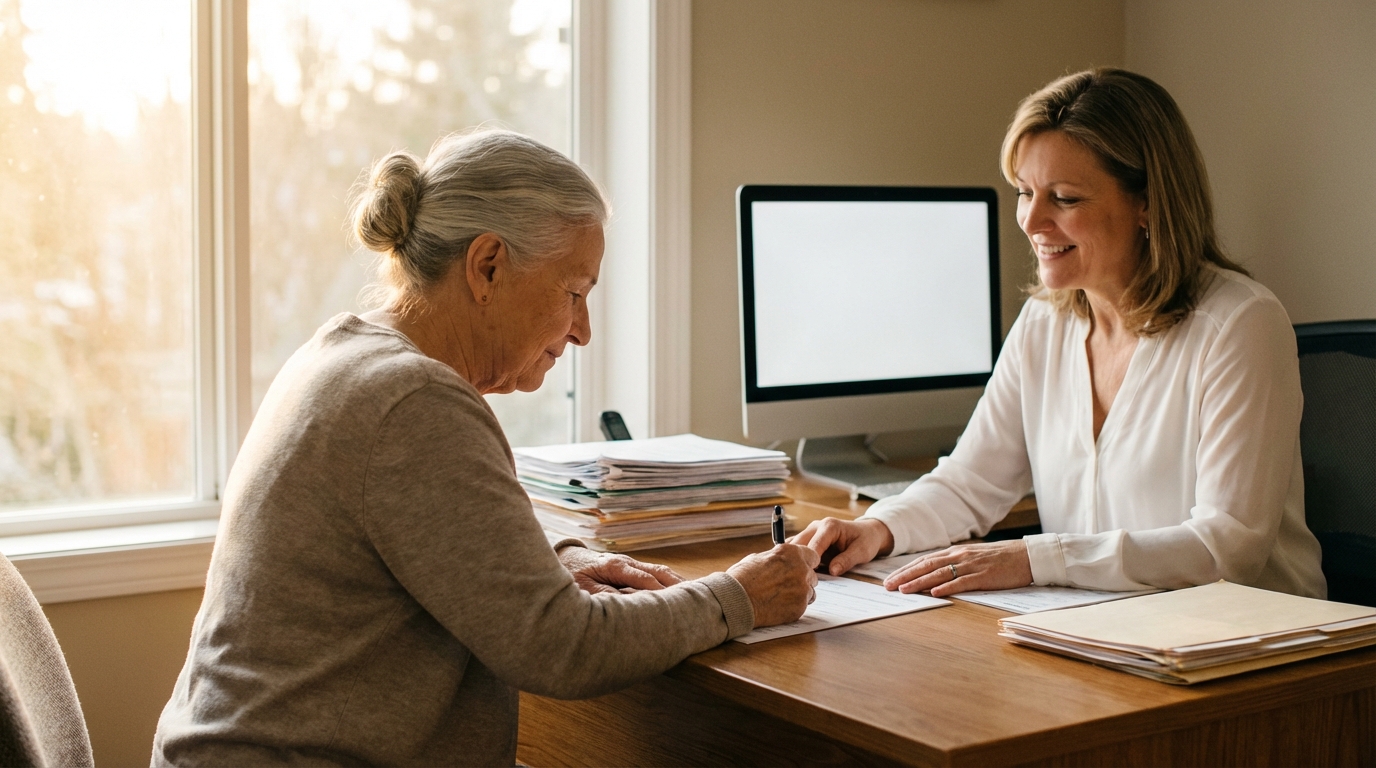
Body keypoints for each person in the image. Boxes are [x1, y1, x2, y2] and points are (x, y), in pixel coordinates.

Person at [152, 130, 819, 767]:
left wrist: (561, 559)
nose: (582, 330)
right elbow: (564, 649)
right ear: (488, 265)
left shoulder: (349, 351)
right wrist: (739, 597)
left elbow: (442, 541)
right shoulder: (413, 400)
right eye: (575, 292)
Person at [794, 68, 1325, 600]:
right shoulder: (1044, 324)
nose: (1031, 221)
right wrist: (877, 529)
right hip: (1103, 635)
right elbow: (970, 482)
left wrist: (1032, 557)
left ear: (1148, 203)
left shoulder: (1241, 323)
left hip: (1256, 650)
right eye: (1026, 192)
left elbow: (1228, 548)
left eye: (1065, 198)